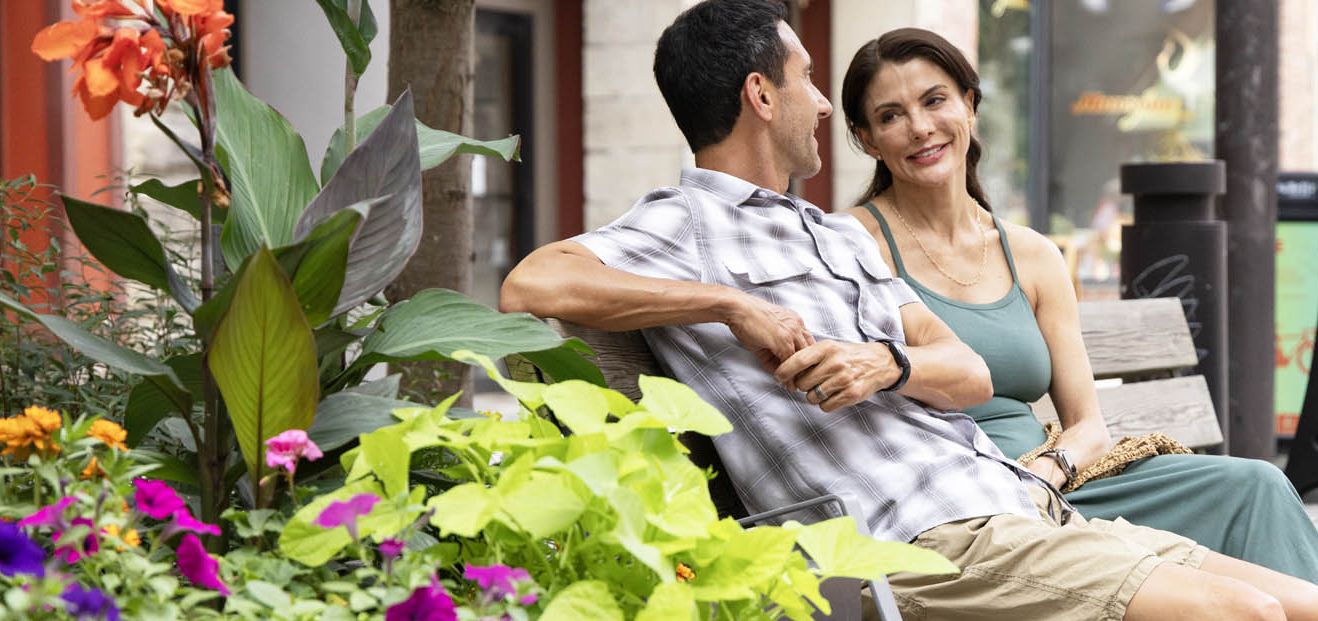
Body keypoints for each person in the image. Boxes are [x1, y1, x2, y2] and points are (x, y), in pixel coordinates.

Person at [501, 1, 1318, 618]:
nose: (822, 104)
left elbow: (966, 370)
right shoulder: (685, 226)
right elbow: (531, 284)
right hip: (918, 538)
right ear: (760, 94)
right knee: (1242, 614)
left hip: (1017, 503)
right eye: (810, 82)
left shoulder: (829, 236)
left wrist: (887, 363)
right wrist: (731, 305)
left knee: (1297, 600)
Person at [838, 27, 1318, 584]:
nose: (920, 127)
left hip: (1056, 483)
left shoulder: (1031, 254)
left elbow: (1087, 425)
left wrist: (1044, 474)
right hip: (960, 505)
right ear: (868, 139)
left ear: (970, 104)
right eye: (891, 115)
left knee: (1254, 487)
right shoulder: (851, 243)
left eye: (934, 100)